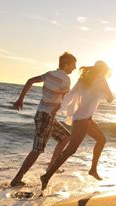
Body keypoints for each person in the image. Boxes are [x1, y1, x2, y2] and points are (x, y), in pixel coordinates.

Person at [40, 61, 114, 190]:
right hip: (83, 119)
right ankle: (47, 175)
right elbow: (110, 98)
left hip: (82, 118)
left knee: (101, 140)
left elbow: (70, 95)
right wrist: (105, 95)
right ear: (102, 70)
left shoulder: (83, 79)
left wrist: (59, 107)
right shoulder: (101, 80)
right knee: (70, 150)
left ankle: (93, 170)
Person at [10, 52, 77, 187]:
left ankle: (51, 166)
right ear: (66, 64)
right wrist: (58, 109)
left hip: (44, 114)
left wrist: (20, 99)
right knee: (37, 149)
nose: (74, 68)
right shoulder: (65, 79)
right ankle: (17, 179)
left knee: (65, 137)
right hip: (46, 116)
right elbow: (64, 100)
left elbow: (30, 80)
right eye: (73, 65)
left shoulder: (49, 74)